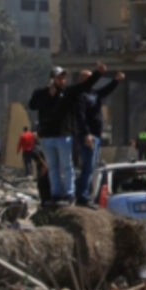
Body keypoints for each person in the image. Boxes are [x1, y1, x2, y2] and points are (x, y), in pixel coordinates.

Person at [29, 63, 106, 204]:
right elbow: (32, 105)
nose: (62, 80)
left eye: (64, 78)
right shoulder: (41, 93)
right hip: (46, 136)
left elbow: (84, 85)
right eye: (59, 77)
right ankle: (56, 194)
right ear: (52, 79)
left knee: (67, 166)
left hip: (63, 135)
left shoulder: (68, 93)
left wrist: (98, 73)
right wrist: (47, 94)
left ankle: (69, 194)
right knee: (52, 167)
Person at [75, 70, 125, 207]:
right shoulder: (80, 95)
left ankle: (87, 194)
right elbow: (81, 117)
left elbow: (105, 91)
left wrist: (116, 80)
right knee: (87, 167)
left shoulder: (94, 94)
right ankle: (82, 196)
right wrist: (86, 134)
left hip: (96, 136)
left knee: (92, 168)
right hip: (88, 136)